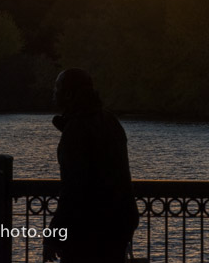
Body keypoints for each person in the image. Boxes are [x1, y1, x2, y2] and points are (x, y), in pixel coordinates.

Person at [43, 68, 139, 263]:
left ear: (69, 94)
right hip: (119, 225)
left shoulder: (76, 130)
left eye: (57, 88)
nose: (54, 94)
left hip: (87, 232)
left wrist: (54, 235)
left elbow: (73, 190)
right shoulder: (110, 121)